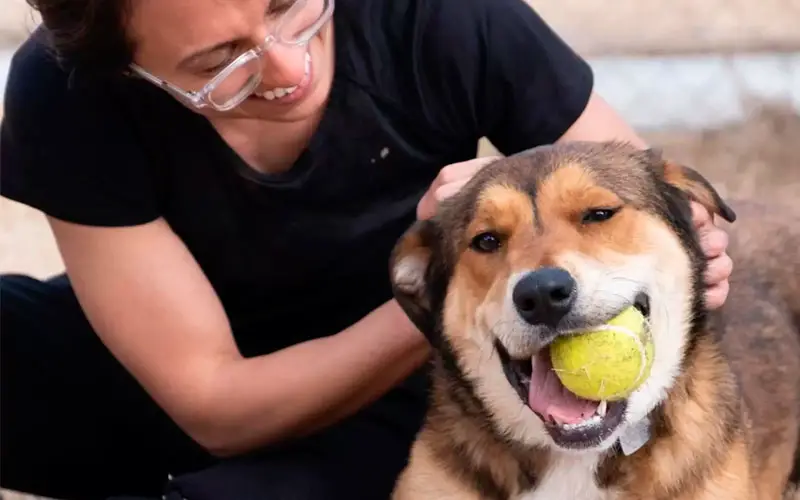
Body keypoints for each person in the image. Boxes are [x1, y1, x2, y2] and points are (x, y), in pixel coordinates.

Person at [0, 0, 734, 498]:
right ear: (130, 67)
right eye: (221, 62)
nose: (290, 70)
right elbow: (213, 404)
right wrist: (435, 294)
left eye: (290, 5)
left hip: (405, 383)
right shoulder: (65, 89)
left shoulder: (437, 16)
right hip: (191, 363)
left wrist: (696, 253)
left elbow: (637, 211)